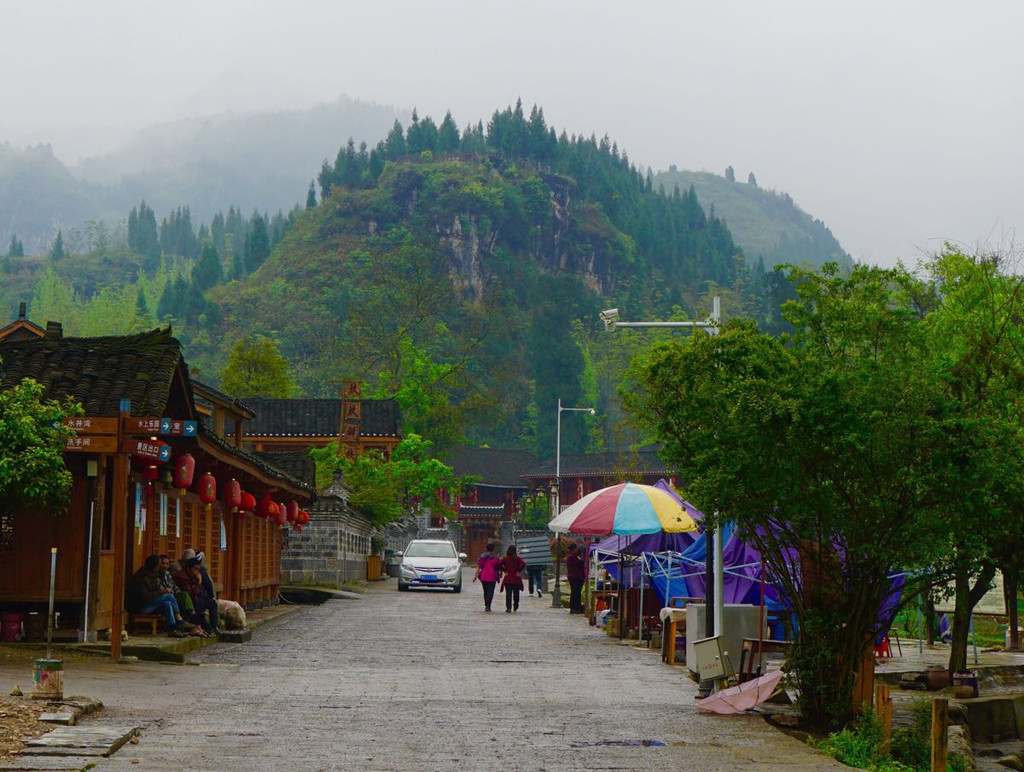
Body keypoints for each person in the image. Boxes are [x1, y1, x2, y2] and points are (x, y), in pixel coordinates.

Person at [128, 555, 200, 637]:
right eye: (159, 565)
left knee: (167, 603)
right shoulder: (140, 578)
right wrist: (161, 592)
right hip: (142, 607)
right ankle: (179, 620)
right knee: (169, 596)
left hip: (151, 604)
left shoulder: (154, 576)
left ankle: (172, 628)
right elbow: (145, 597)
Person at [176, 552, 219, 635]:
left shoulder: (194, 575)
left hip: (197, 597)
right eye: (195, 569)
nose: (197, 572)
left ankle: (214, 627)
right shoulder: (182, 576)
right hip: (187, 600)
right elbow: (191, 593)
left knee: (212, 603)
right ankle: (202, 625)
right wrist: (199, 583)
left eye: (198, 569)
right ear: (188, 568)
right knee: (198, 601)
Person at [474, 543, 502, 612]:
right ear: (493, 549)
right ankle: (488, 605)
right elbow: (499, 566)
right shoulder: (495, 557)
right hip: (492, 576)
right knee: (491, 591)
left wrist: (475, 575)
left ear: (486, 548)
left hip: (484, 576)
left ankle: (486, 604)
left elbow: (478, 566)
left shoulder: (482, 557)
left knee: (485, 591)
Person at [498, 545, 526, 613]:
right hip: (516, 578)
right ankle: (515, 606)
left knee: (508, 594)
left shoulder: (505, 558)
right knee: (516, 593)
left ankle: (509, 608)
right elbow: (523, 563)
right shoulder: (517, 558)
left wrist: (504, 570)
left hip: (508, 578)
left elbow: (499, 564)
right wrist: (519, 570)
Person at [566, 542, 586, 614]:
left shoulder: (573, 556)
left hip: (576, 577)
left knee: (577, 592)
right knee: (575, 592)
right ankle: (574, 607)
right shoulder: (571, 557)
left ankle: (577, 606)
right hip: (575, 577)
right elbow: (580, 564)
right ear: (573, 549)